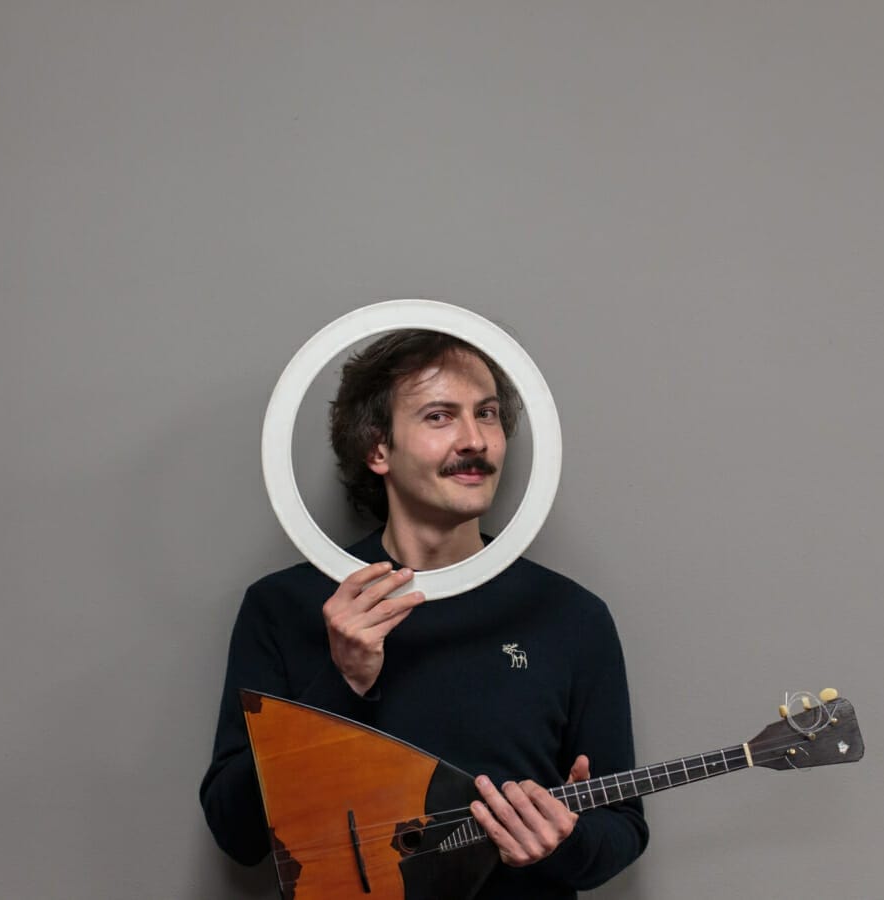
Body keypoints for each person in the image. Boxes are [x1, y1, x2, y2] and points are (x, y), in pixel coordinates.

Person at [200, 329, 648, 898]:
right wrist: (340, 685)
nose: (475, 440)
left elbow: (623, 827)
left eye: (486, 414)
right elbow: (235, 832)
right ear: (377, 449)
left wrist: (565, 841)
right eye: (440, 416)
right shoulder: (284, 607)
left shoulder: (571, 616)